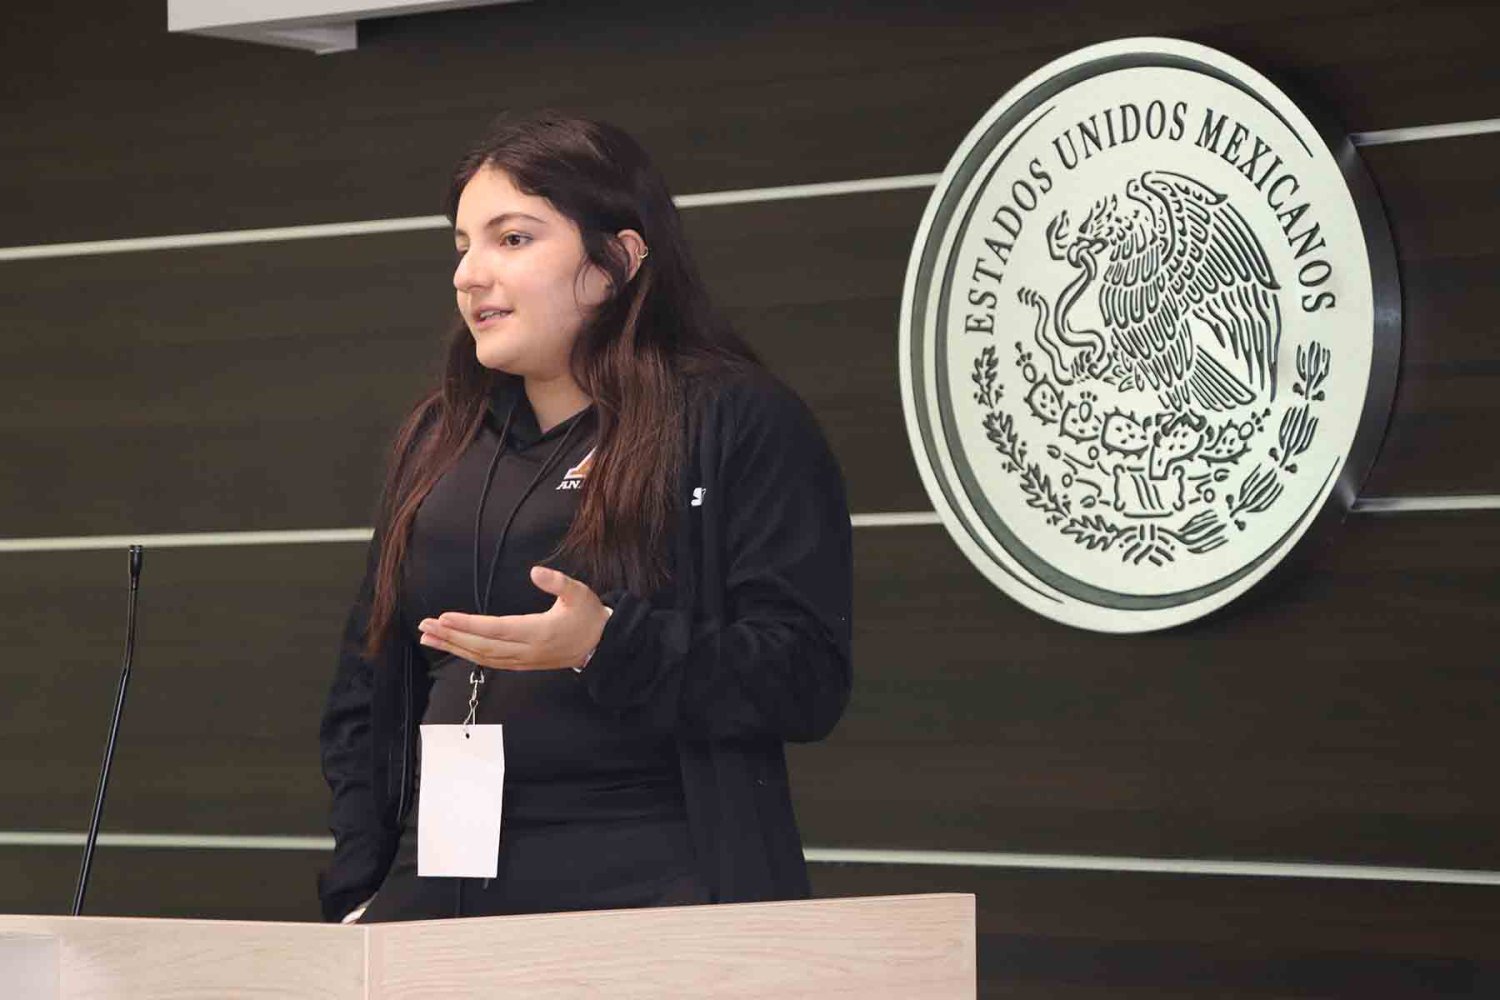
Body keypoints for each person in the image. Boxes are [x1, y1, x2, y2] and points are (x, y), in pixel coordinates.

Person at [316, 110, 854, 924]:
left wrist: (606, 644)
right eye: (462, 245)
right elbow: (368, 680)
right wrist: (357, 883)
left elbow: (804, 678)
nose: (469, 274)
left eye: (512, 239)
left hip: (652, 895)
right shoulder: (439, 437)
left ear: (617, 261)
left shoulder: (732, 419)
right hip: (439, 888)